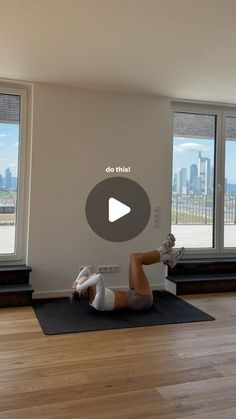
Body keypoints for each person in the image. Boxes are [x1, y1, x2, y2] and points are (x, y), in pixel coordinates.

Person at [71, 234, 185, 311]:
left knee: (133, 256)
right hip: (141, 300)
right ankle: (164, 251)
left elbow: (86, 269)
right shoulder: (97, 302)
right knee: (137, 260)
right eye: (86, 284)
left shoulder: (91, 290)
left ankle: (168, 257)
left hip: (133, 292)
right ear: (85, 291)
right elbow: (99, 277)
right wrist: (80, 287)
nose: (88, 281)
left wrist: (77, 282)